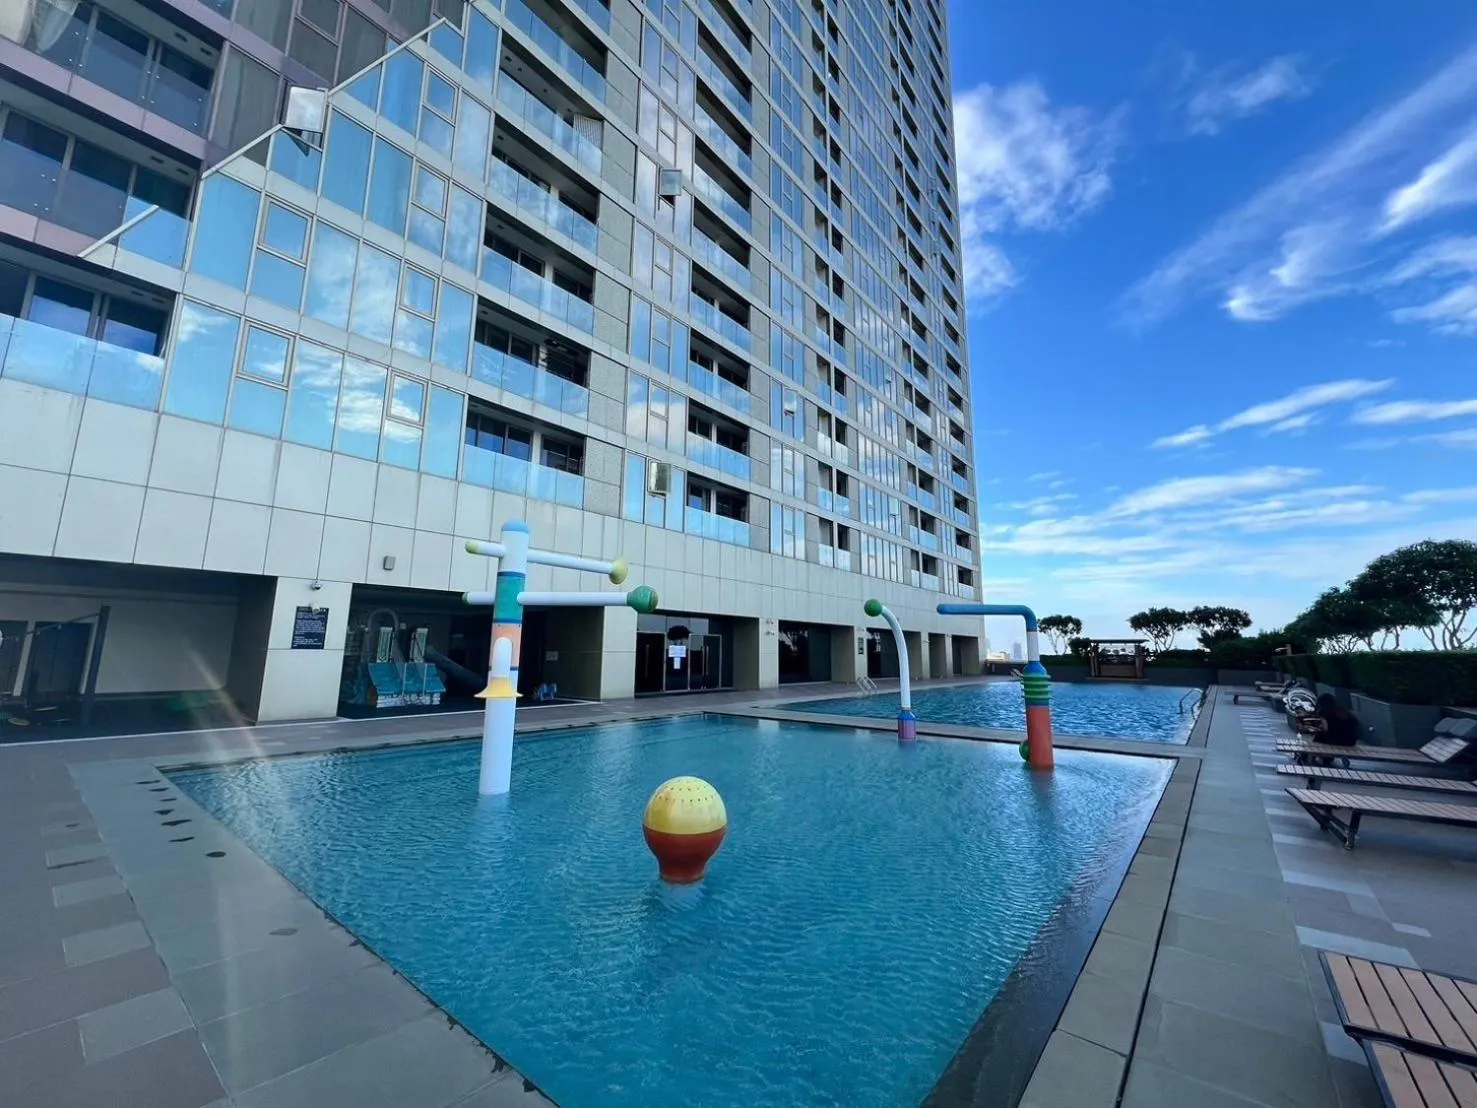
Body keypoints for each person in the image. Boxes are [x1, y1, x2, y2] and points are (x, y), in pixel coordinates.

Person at [1295, 693, 1361, 765]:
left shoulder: (1328, 714)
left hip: (1339, 741)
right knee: (1320, 737)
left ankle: (1308, 756)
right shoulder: (1345, 714)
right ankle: (1319, 758)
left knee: (1320, 737)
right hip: (1346, 742)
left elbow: (1326, 731)